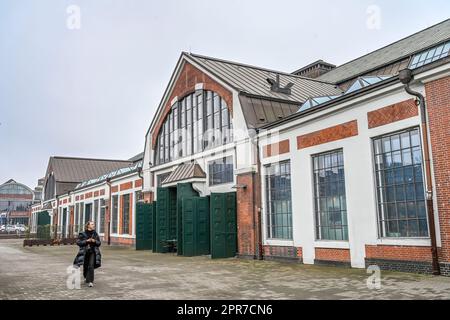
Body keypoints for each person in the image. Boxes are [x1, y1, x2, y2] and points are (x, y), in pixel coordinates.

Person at [73, 221, 102, 287]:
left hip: (93, 252)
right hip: (84, 252)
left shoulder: (95, 234)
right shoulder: (82, 233)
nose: (93, 225)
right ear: (88, 226)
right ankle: (86, 277)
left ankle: (91, 281)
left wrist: (94, 241)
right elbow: (78, 242)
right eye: (92, 224)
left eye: (93, 224)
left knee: (91, 266)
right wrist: (86, 241)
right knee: (85, 266)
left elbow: (99, 243)